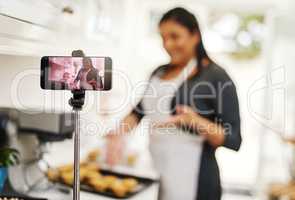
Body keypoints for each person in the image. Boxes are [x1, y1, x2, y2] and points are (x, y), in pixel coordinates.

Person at [105, 7, 242, 200]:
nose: (167, 44)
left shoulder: (216, 76)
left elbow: (234, 139)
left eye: (175, 36)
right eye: (163, 37)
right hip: (154, 171)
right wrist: (119, 134)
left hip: (195, 180)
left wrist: (195, 121)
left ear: (195, 35)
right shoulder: (158, 72)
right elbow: (138, 112)